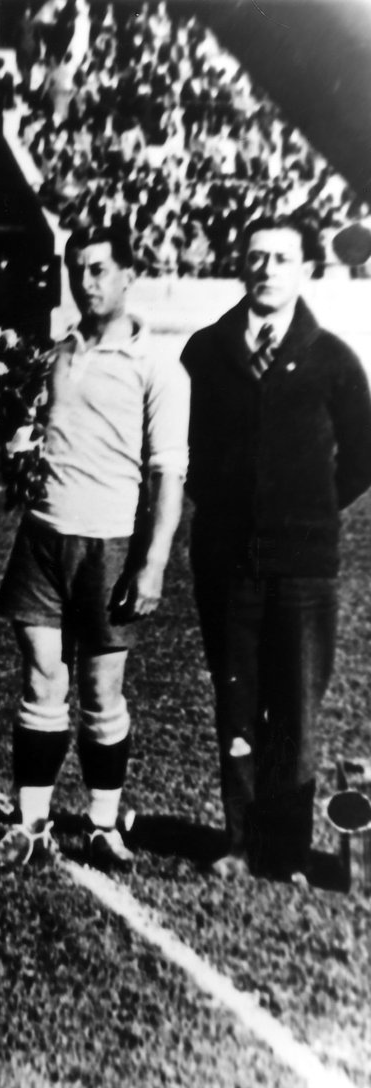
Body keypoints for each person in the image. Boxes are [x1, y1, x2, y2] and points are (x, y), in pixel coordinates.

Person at [0, 224, 188, 870]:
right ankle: (31, 822)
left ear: (128, 274)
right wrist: (19, 450)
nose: (87, 281)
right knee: (40, 676)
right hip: (43, 534)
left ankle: (102, 824)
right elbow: (30, 431)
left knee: (102, 691)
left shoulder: (158, 365)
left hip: (110, 541)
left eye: (99, 269)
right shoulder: (54, 352)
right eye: (77, 269)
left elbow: (168, 471)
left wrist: (151, 562)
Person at [182, 212, 371, 884]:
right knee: (237, 700)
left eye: (280, 259)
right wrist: (233, 507)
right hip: (227, 559)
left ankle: (286, 849)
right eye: (255, 256)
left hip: (304, 565)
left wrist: (306, 510)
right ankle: (237, 840)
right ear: (241, 264)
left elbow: (360, 459)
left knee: (294, 706)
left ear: (304, 270)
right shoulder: (204, 351)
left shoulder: (334, 358)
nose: (266, 269)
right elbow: (188, 451)